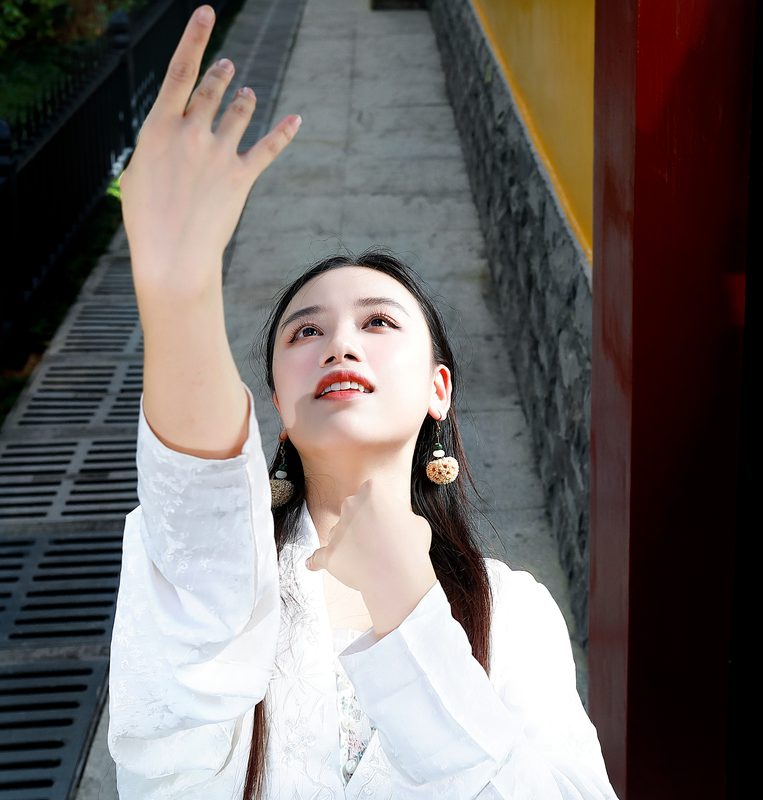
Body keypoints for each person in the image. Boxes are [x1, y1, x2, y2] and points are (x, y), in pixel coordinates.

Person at [105, 5, 619, 798]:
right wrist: (179, 296)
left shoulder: (514, 611)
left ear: (438, 388)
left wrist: (408, 606)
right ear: (277, 400)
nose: (339, 343)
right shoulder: (233, 587)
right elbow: (197, 524)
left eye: (378, 322)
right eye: (305, 331)